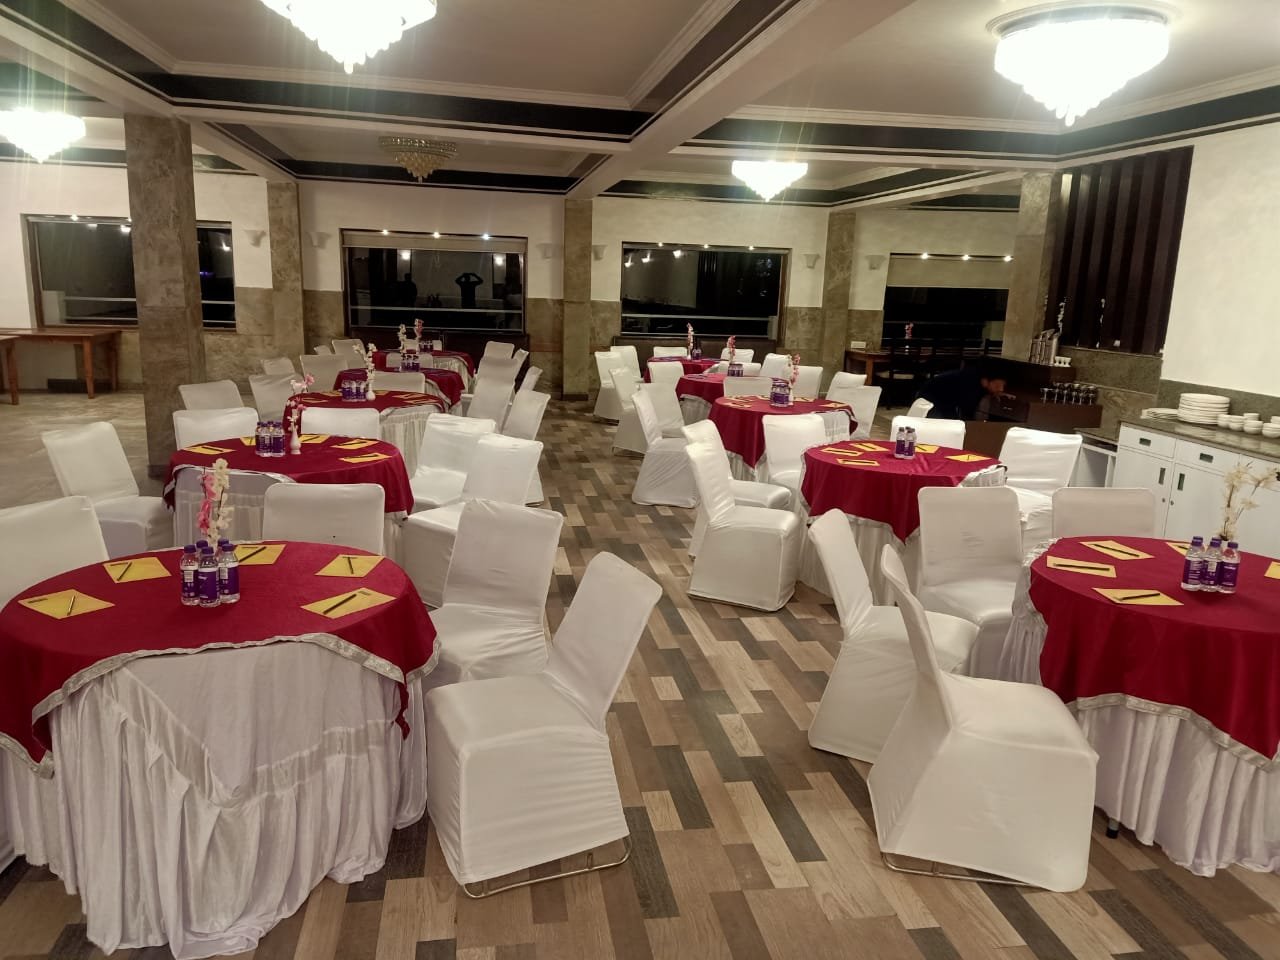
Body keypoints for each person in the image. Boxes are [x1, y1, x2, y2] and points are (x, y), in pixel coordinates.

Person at [915, 358, 1008, 420]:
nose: (1001, 389)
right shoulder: (971, 383)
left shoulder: (978, 379)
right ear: (985, 381)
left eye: (1003, 386)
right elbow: (967, 411)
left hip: (946, 401)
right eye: (997, 386)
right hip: (931, 398)